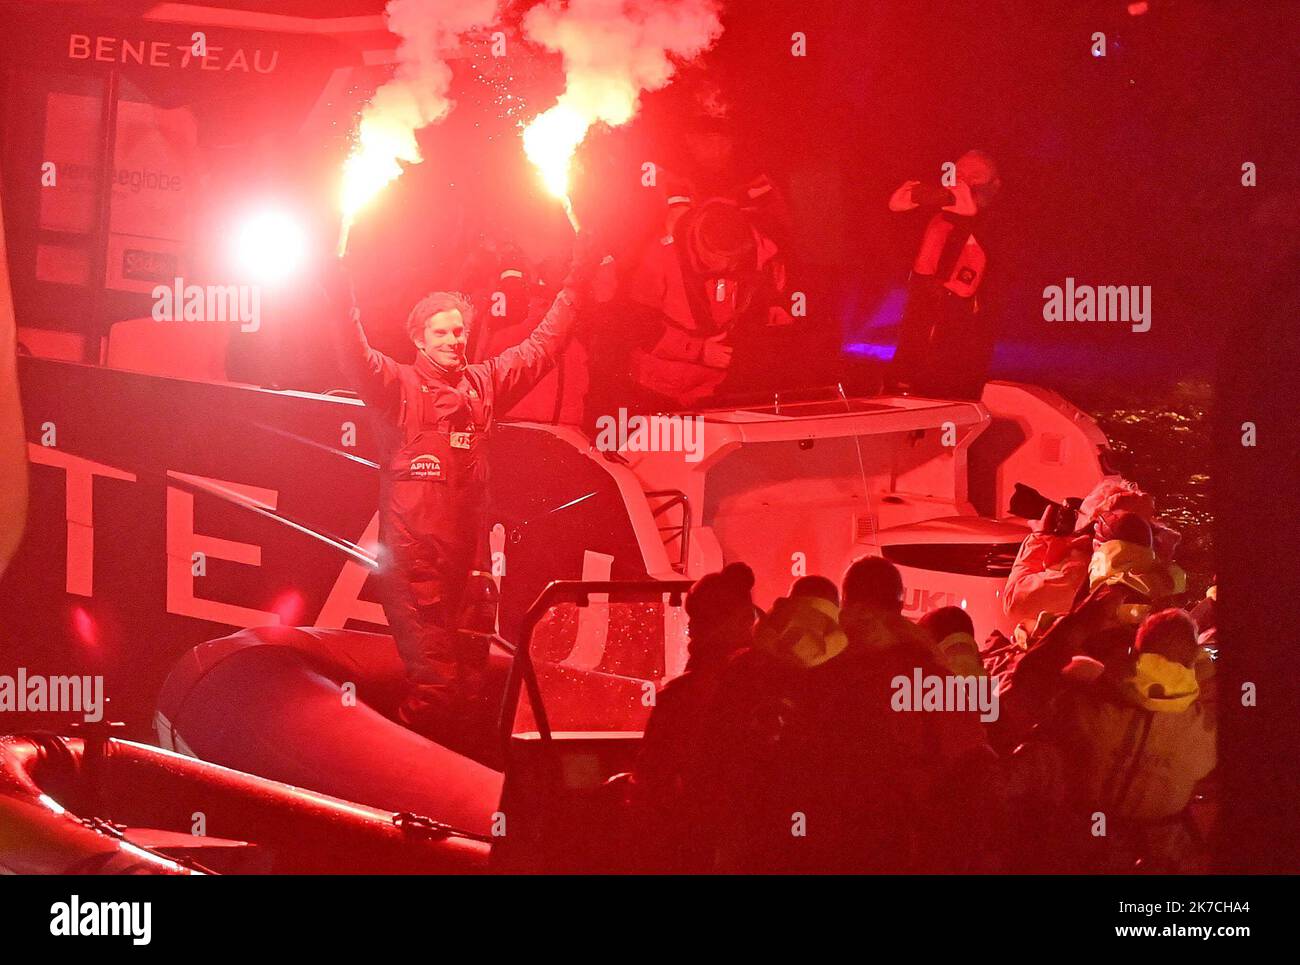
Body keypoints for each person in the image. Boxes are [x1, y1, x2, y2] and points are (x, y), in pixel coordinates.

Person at [322, 235, 605, 750]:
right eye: (441, 332)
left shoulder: (485, 384)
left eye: (459, 331)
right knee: (437, 687)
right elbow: (350, 343)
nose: (453, 340)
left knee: (474, 689)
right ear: (419, 338)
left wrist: (576, 280)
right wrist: (335, 275)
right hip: (416, 565)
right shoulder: (394, 385)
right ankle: (394, 787)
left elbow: (544, 345)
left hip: (470, 566)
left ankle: (463, 796)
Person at [1007, 609, 1216, 872]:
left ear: (1136, 652)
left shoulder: (1085, 707)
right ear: (1191, 662)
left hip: (1080, 852)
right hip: (1155, 861)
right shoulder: (1204, 732)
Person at [630, 563, 756, 871]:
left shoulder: (681, 695)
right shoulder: (766, 683)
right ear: (743, 619)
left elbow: (651, 782)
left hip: (691, 845)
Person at [886, 149, 1001, 399]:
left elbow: (1000, 259)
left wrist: (972, 216)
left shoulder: (1001, 223)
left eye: (975, 176)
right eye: (958, 173)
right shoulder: (936, 217)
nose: (965, 181)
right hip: (915, 343)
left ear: (995, 184)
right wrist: (898, 210)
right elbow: (890, 256)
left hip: (963, 354)